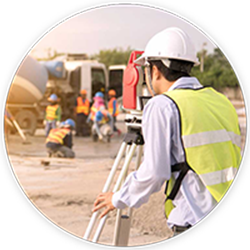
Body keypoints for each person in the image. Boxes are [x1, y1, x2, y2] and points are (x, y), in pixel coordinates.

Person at [92, 27, 242, 235]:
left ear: (154, 70)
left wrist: (118, 198)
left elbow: (154, 173)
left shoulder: (163, 105)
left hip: (192, 216)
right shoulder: (220, 100)